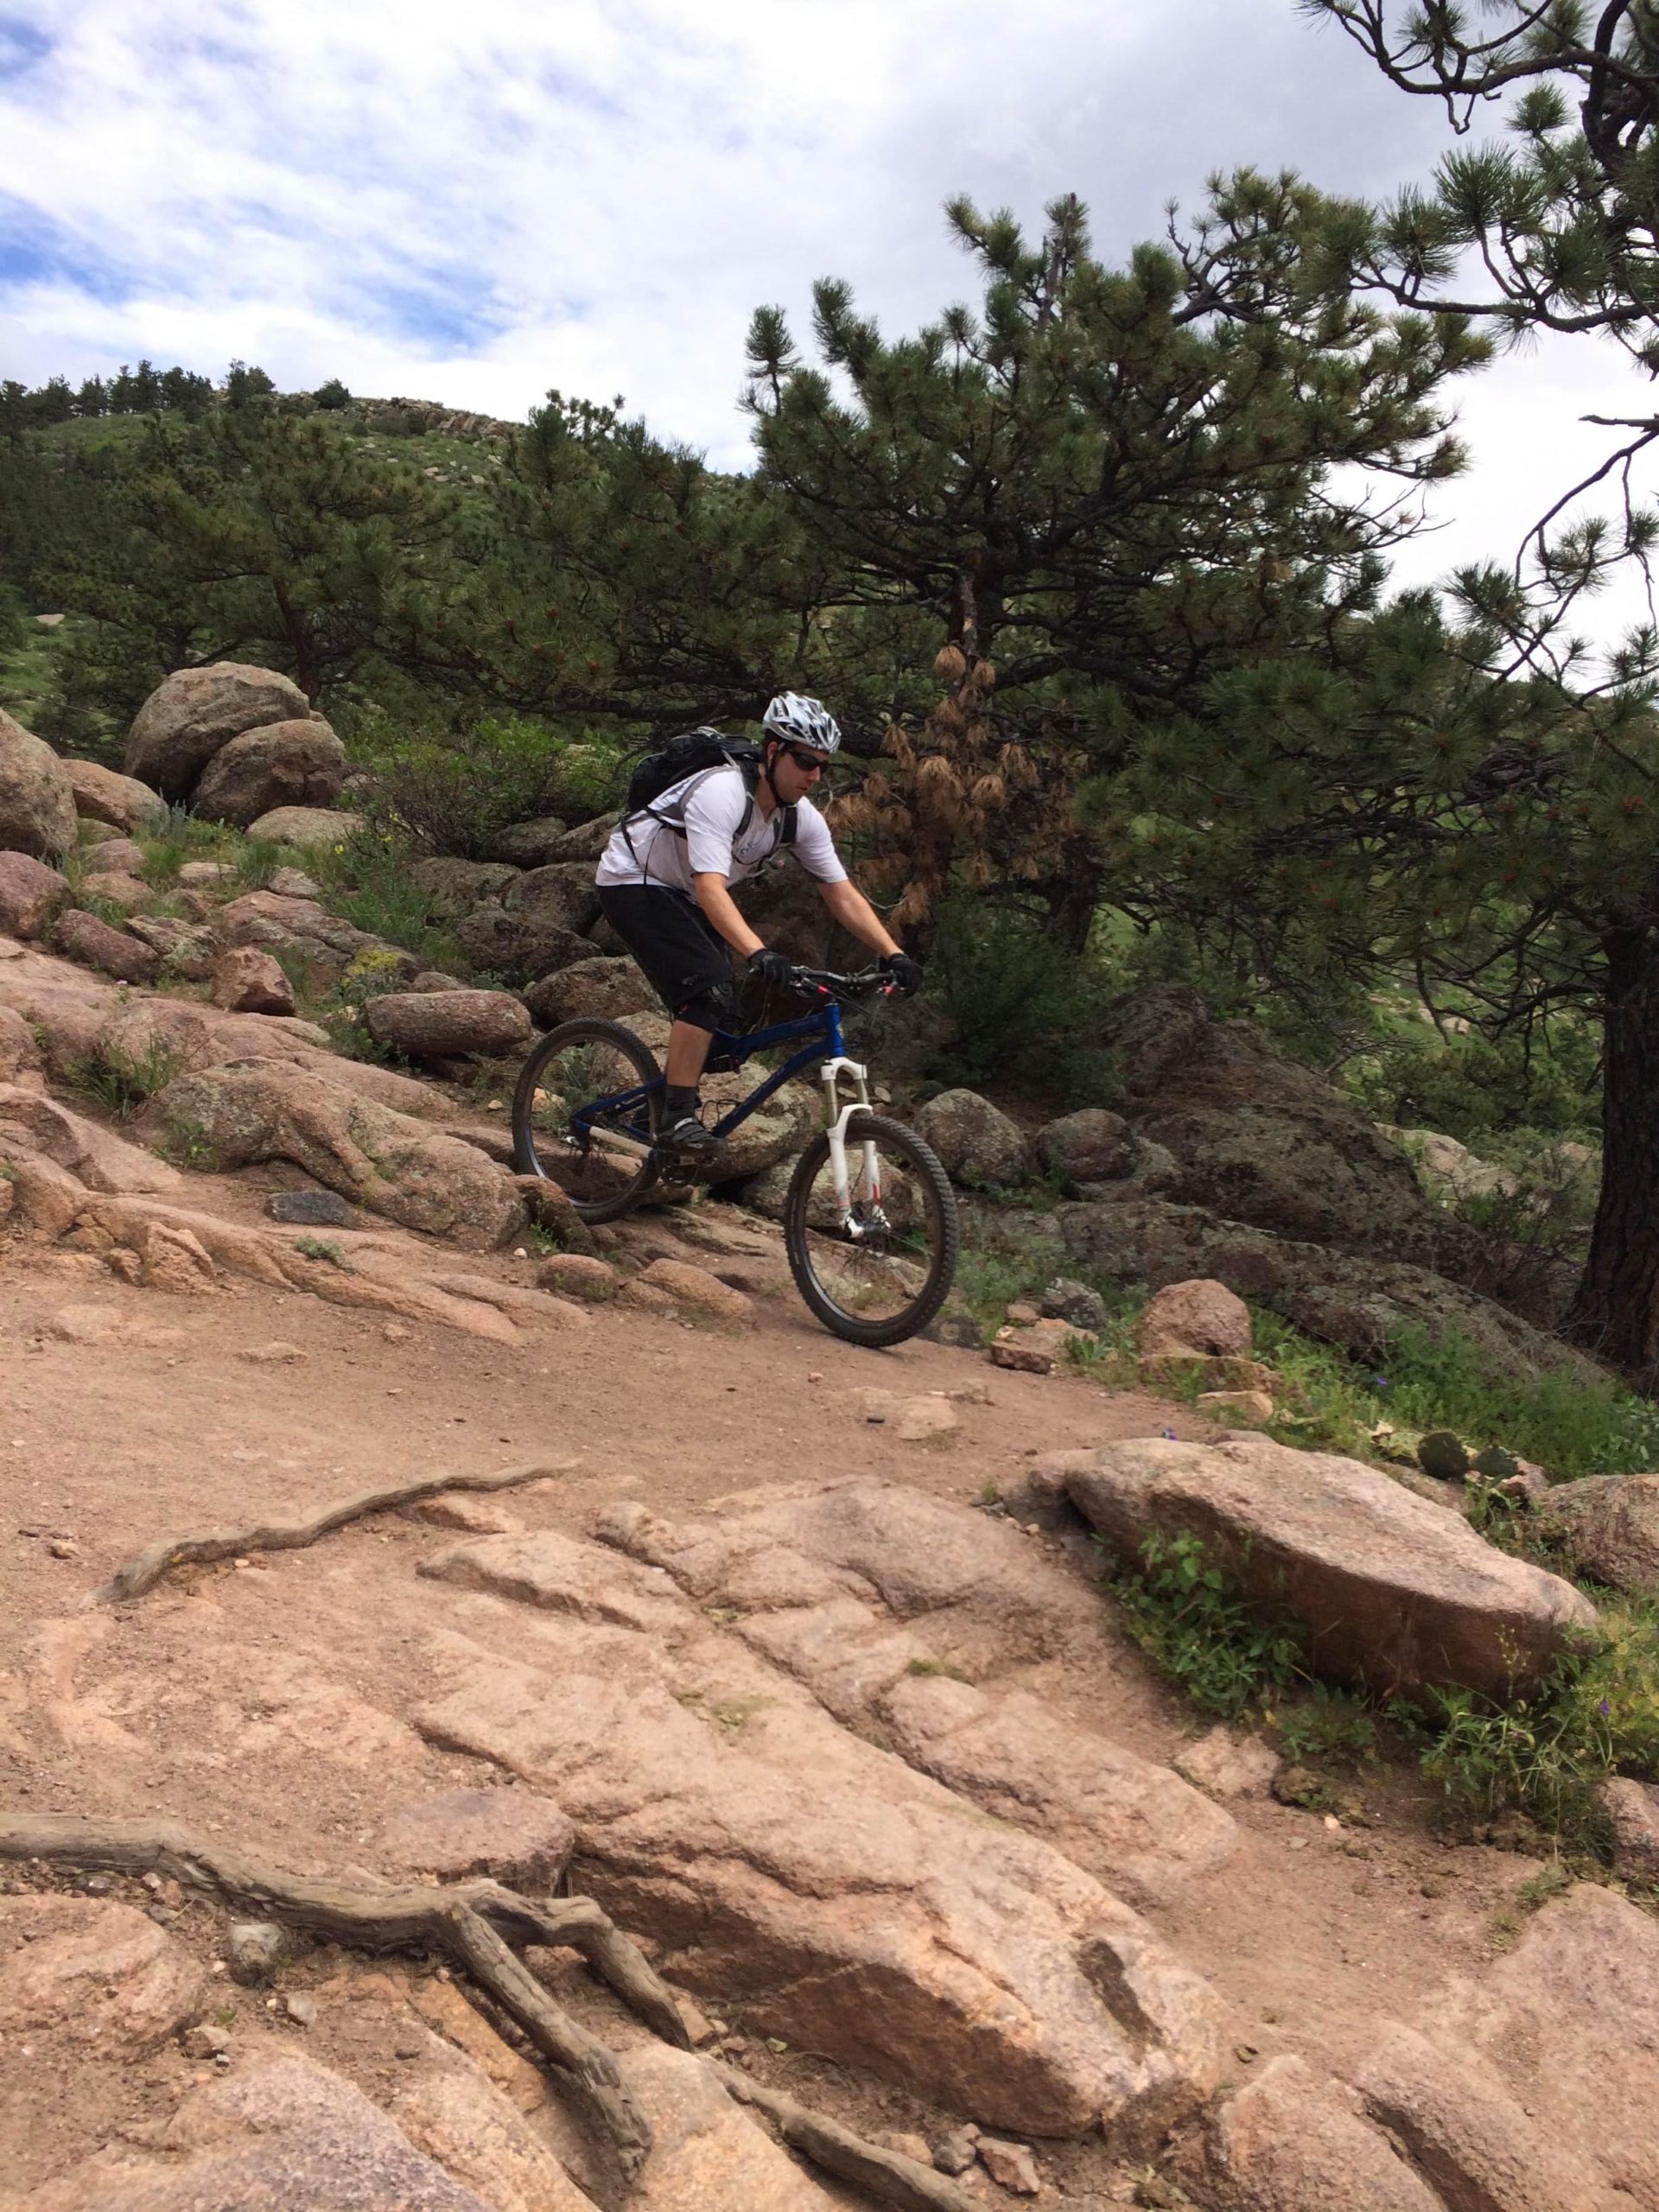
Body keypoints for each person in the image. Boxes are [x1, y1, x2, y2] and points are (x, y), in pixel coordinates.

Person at [594, 692, 922, 1157]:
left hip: (683, 892)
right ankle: (675, 1119)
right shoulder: (721, 792)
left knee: (727, 1025)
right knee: (704, 991)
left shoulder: (800, 819)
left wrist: (894, 953)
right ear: (773, 752)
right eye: (805, 761)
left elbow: (840, 891)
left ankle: (655, 1109)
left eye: (823, 766)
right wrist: (758, 952)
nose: (814, 776)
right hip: (635, 879)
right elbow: (711, 888)